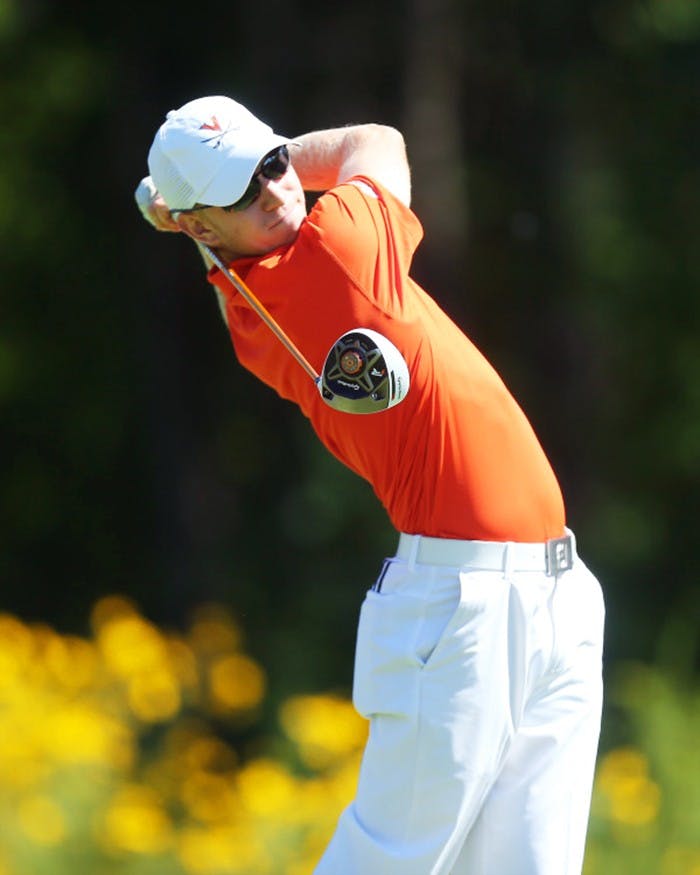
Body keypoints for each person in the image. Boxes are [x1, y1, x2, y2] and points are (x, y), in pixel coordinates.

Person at [135, 95, 605, 875]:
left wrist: (184, 210)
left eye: (274, 161)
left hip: (549, 592)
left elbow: (226, 236)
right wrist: (279, 153)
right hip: (462, 610)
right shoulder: (342, 251)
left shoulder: (247, 300)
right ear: (201, 226)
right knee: (390, 861)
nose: (279, 189)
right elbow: (373, 139)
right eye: (244, 189)